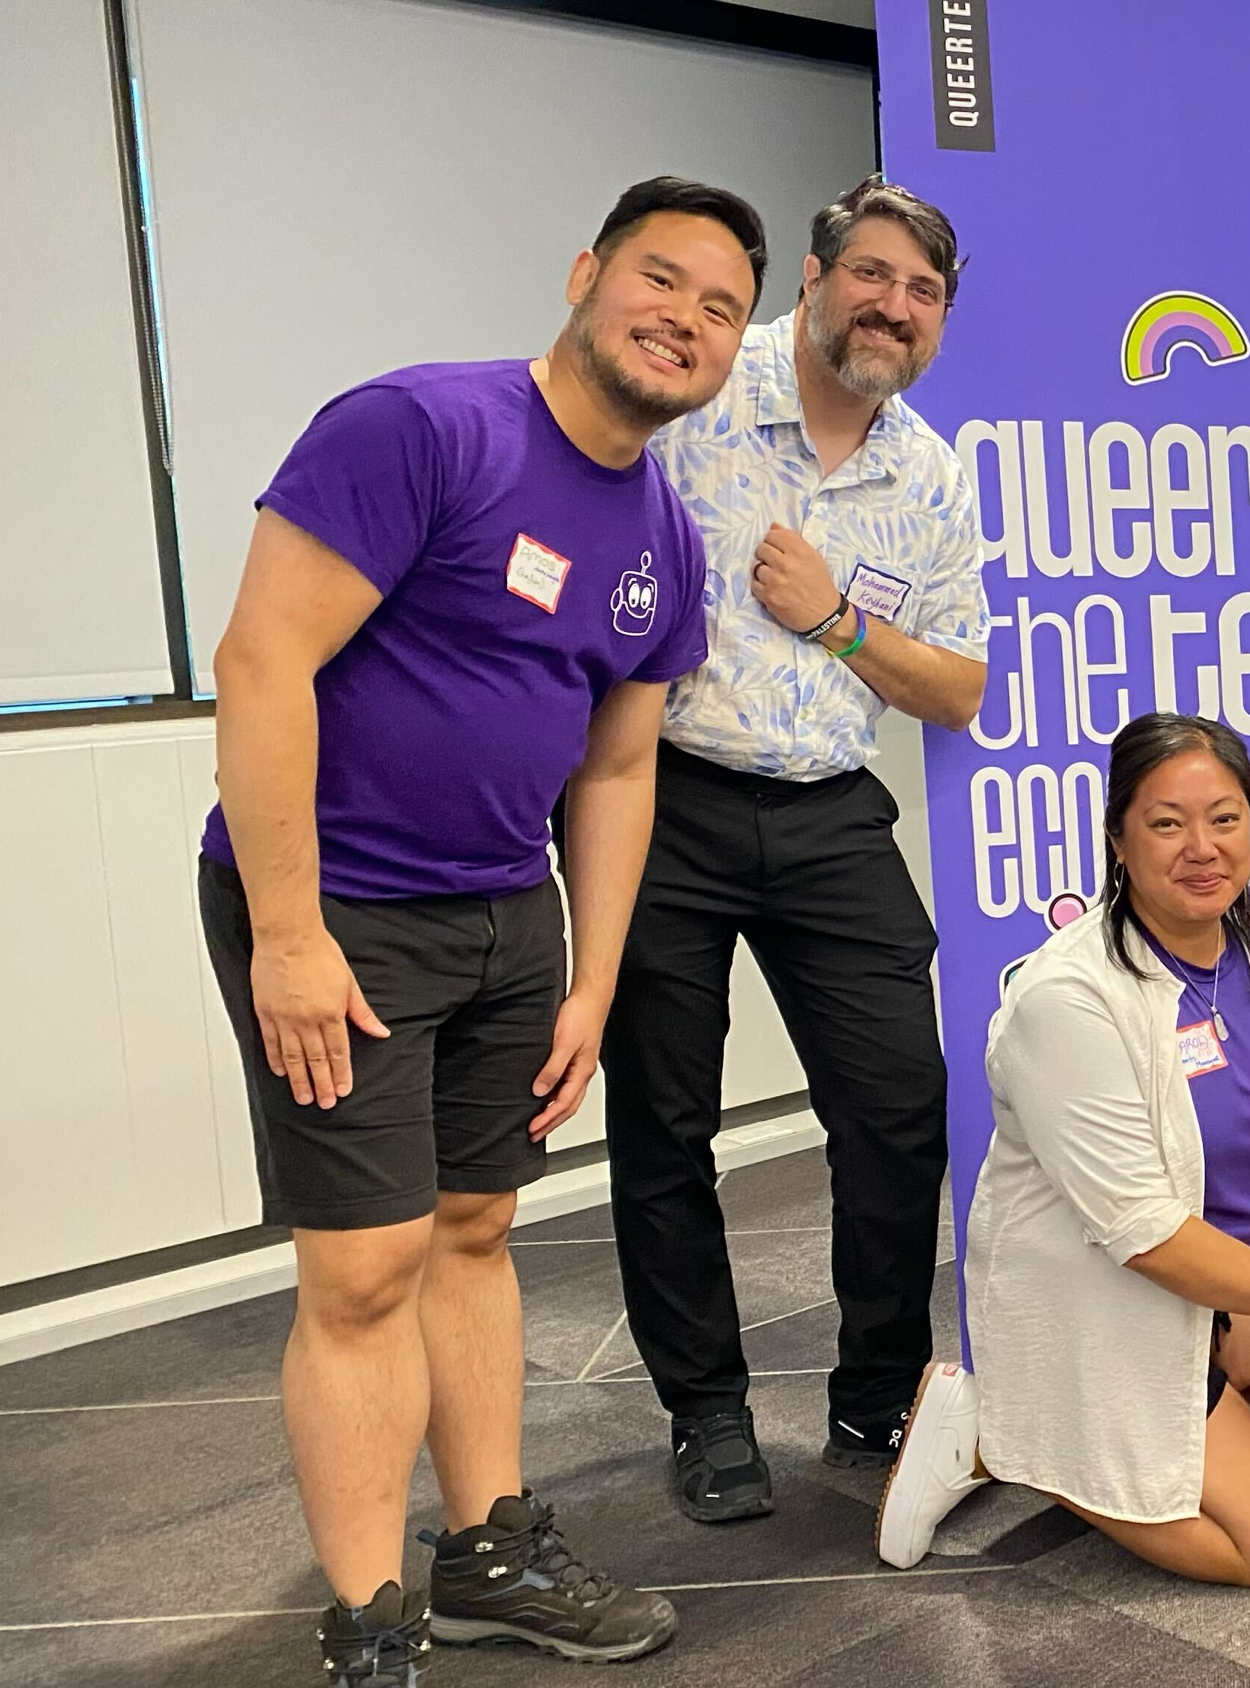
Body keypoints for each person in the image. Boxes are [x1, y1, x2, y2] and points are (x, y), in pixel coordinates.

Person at [198, 177, 765, 1684]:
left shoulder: (668, 535)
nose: (685, 321)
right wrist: (288, 934)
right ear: (586, 274)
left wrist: (591, 979)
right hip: (344, 912)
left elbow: (622, 765)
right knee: (367, 1268)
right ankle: (372, 1623)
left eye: (720, 310)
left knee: (476, 1229)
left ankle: (492, 1552)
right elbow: (260, 665)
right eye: (662, 279)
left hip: (510, 914)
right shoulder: (419, 429)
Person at [600, 176, 992, 1524]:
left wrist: (836, 624)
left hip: (828, 806)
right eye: (873, 275)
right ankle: (703, 1412)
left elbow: (958, 688)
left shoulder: (930, 474)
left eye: (923, 292)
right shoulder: (698, 393)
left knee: (898, 1106)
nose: (894, 305)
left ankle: (876, 1395)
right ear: (814, 282)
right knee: (664, 1120)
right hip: (665, 797)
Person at [873, 715, 1250, 1583]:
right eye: (1167, 824)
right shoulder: (1066, 997)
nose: (1202, 847)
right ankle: (1004, 1432)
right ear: (1118, 839)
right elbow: (1144, 1235)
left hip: (1231, 1284)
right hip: (1111, 1295)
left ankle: (1184, 1407)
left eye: (1225, 818)